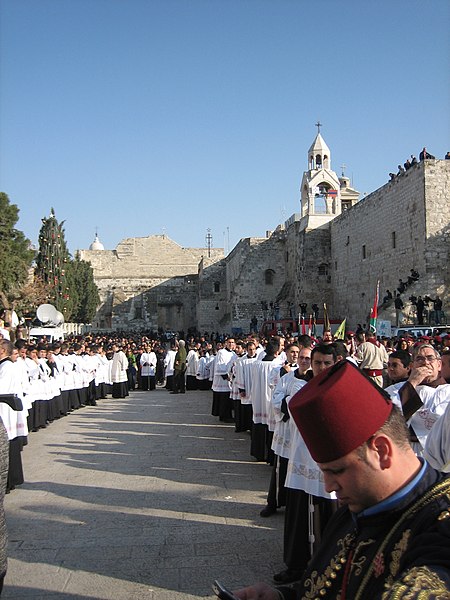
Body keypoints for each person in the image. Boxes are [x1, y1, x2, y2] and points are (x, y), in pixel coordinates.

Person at [234, 360, 450, 599]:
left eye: (337, 471)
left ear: (381, 451)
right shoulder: (353, 509)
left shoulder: (441, 524)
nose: (328, 486)